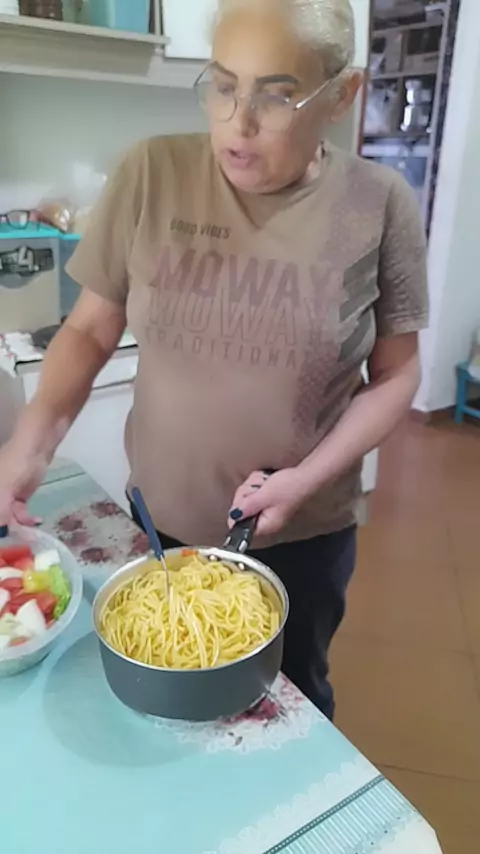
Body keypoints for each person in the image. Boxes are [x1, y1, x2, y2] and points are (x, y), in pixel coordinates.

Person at [0, 0, 428, 720]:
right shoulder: (152, 173)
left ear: (341, 96)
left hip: (303, 536)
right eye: (224, 85)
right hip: (159, 524)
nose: (238, 121)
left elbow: (397, 376)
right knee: (166, 696)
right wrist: (30, 445)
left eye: (277, 94)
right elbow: (90, 330)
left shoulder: (378, 204)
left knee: (290, 701)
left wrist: (303, 481)